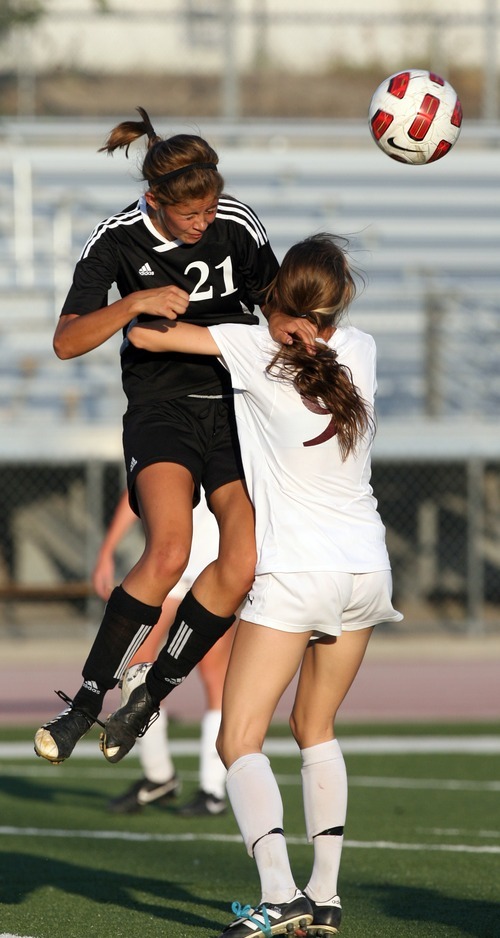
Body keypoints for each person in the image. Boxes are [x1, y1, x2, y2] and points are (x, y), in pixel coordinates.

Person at [109, 232, 403, 937]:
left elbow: (151, 339)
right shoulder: (360, 348)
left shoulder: (253, 347)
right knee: (315, 729)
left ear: (281, 308)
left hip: (296, 573)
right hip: (365, 568)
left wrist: (147, 298)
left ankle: (280, 894)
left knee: (239, 737)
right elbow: (311, 335)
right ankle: (325, 899)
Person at [34, 107, 307, 765]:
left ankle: (150, 696)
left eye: (211, 207)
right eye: (191, 214)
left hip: (237, 407)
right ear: (155, 199)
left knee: (242, 564)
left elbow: (274, 309)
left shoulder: (235, 223)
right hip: (161, 410)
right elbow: (67, 341)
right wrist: (133, 303)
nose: (204, 221)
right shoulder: (117, 241)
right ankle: (85, 702)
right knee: (169, 553)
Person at [92, 489, 230, 816]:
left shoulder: (234, 439)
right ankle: (158, 775)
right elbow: (138, 487)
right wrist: (107, 549)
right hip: (172, 563)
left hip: (213, 564)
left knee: (214, 676)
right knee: (137, 666)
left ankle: (212, 789)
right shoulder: (165, 438)